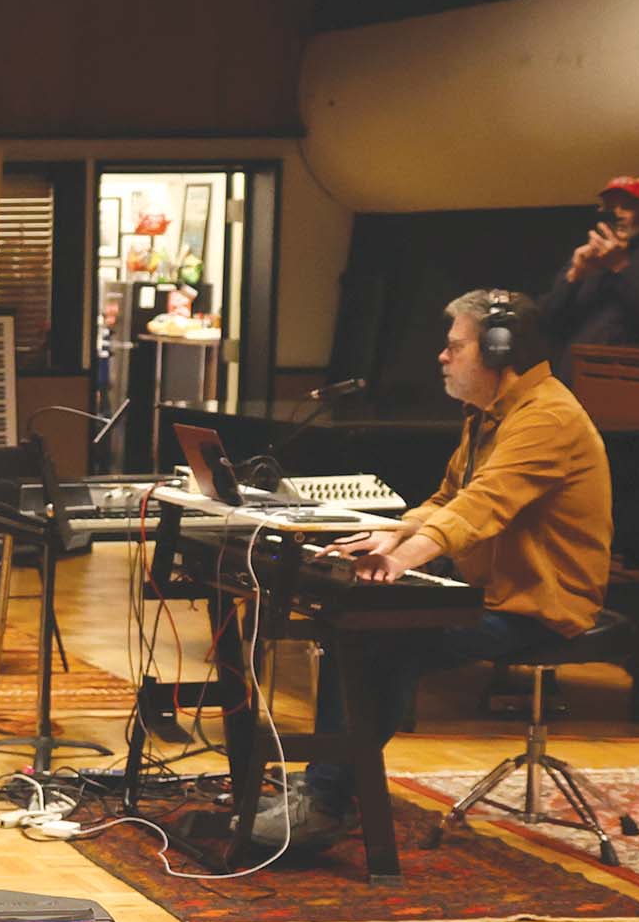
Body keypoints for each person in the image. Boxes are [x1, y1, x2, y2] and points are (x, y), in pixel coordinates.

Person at [252, 287, 616, 857]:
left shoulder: (547, 418)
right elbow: (448, 497)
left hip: (537, 607)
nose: (442, 357)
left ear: (498, 352)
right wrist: (394, 533)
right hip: (486, 592)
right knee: (355, 623)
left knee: (384, 636)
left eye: (455, 347)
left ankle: (327, 798)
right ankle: (331, 786)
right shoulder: (492, 414)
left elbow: (482, 506)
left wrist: (401, 557)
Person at [538, 175, 639, 356]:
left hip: (627, 367)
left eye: (627, 206)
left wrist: (619, 267)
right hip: (575, 366)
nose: (617, 214)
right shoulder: (588, 254)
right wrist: (573, 276)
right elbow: (545, 320)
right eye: (610, 208)